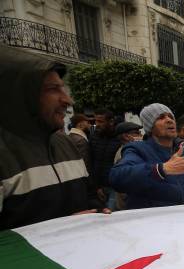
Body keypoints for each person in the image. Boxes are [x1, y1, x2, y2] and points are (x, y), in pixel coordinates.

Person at [0, 47, 106, 229]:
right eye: (52, 89)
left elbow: (88, 196)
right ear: (19, 94)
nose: (68, 100)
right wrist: (56, 230)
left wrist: (98, 213)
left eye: (63, 88)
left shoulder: (65, 143)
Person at [109, 104, 184, 209]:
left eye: (171, 116)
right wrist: (161, 169)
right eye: (161, 117)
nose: (169, 120)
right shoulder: (137, 149)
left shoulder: (183, 153)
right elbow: (117, 177)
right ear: (150, 127)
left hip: (179, 221)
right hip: (150, 222)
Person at [90, 108, 121, 209]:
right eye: (95, 121)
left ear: (111, 121)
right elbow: (93, 162)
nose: (97, 124)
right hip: (99, 187)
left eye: (100, 121)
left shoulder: (119, 138)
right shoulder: (94, 137)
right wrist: (97, 186)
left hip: (115, 187)